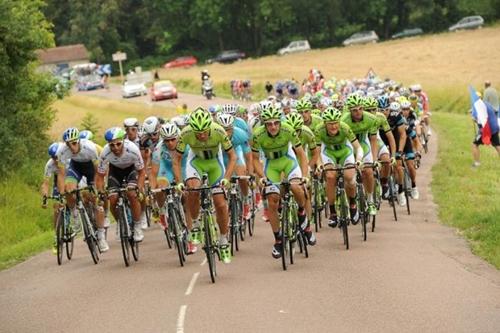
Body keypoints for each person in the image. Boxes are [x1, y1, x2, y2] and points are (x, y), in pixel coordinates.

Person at [173, 108, 237, 264]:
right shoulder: (186, 133)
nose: (201, 135)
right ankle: (195, 224)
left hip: (215, 164)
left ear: (210, 126)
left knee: (221, 204)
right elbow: (177, 159)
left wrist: (227, 179)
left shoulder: (219, 131)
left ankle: (223, 241)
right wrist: (179, 181)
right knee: (192, 190)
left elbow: (232, 156)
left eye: (204, 132)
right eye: (198, 132)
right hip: (196, 163)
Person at [251, 105, 316, 259]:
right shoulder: (257, 135)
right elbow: (254, 159)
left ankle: (301, 214)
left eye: (276, 123)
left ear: (280, 122)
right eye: (269, 124)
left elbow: (301, 154)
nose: (273, 126)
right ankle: (278, 240)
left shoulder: (288, 130)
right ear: (264, 124)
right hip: (271, 165)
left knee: (295, 186)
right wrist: (262, 177)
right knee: (273, 201)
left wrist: (304, 175)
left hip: (288, 162)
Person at [95, 127, 146, 244]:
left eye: (118, 144)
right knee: (112, 199)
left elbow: (142, 172)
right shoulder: (105, 152)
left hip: (131, 171)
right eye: (112, 145)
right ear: (108, 145)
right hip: (115, 172)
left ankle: (137, 226)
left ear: (123, 141)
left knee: (132, 194)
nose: (116, 148)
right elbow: (100, 176)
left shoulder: (133, 149)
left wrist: (139, 187)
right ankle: (120, 223)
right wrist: (100, 191)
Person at [471, 91, 500, 167]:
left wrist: (473, 118)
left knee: (474, 145)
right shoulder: (487, 104)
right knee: (497, 145)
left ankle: (477, 163)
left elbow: (476, 119)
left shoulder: (477, 107)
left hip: (487, 129)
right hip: (495, 127)